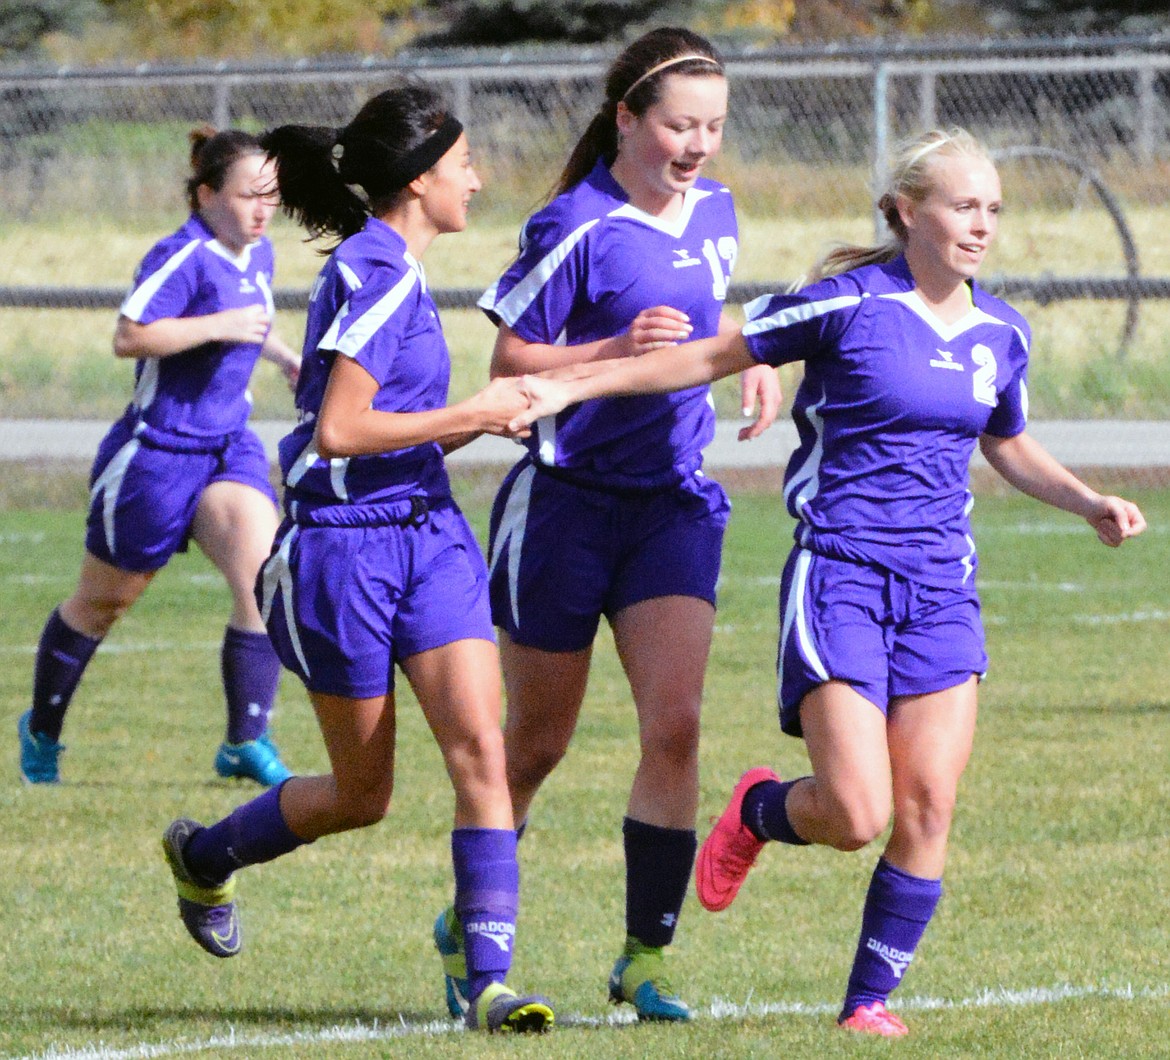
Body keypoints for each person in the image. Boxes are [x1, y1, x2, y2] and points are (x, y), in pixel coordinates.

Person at [507, 127, 1146, 1036]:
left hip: (941, 590)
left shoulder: (1002, 331)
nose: (981, 225)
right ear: (906, 212)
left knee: (928, 804)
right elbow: (706, 357)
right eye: (964, 206)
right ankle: (760, 811)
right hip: (840, 575)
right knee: (854, 811)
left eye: (993, 209)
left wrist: (1085, 500)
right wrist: (580, 386)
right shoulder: (843, 304)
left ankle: (866, 1004)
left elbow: (1005, 440)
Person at [160, 82, 555, 1034]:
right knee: (361, 794)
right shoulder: (378, 273)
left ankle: (487, 981)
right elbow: (339, 431)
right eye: (464, 164)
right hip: (345, 554)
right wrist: (475, 412)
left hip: (428, 535)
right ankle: (205, 856)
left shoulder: (399, 269)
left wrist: (504, 414)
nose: (479, 177)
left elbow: (394, 435)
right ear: (420, 182)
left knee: (481, 759)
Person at [430, 26, 782, 1024]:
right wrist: (612, 344)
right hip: (567, 504)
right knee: (535, 743)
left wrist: (746, 353)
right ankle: (474, 919)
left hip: (672, 501)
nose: (698, 144)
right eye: (679, 124)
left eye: (713, 125)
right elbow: (509, 371)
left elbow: (708, 319)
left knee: (675, 725)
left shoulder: (716, 213)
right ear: (627, 119)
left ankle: (641, 957)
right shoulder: (574, 223)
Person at [19, 127, 302, 788]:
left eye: (272, 197)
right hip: (158, 453)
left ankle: (245, 740)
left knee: (264, 579)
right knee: (102, 604)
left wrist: (283, 356)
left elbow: (251, 320)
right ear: (205, 194)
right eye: (248, 196)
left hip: (227, 445)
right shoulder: (182, 256)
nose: (263, 210)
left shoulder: (258, 255)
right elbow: (129, 336)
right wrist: (216, 328)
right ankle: (41, 731)